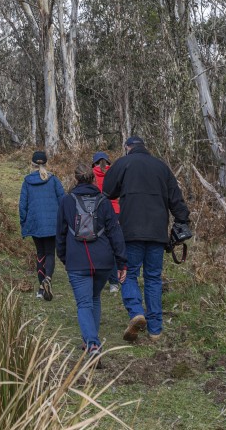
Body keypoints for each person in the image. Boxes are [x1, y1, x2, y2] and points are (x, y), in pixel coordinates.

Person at [102, 136, 190, 343]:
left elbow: (107, 191)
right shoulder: (161, 167)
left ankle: (135, 312)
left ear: (127, 148)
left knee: (129, 273)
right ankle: (155, 330)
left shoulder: (123, 163)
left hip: (130, 231)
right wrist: (182, 220)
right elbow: (176, 199)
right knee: (153, 278)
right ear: (144, 147)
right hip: (157, 232)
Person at [56, 163, 127, 357]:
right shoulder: (104, 201)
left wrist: (64, 257)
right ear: (93, 179)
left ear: (76, 179)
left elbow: (60, 233)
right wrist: (121, 262)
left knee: (84, 304)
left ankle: (92, 344)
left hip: (77, 261)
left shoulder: (66, 201)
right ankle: (90, 340)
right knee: (94, 298)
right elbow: (115, 232)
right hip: (104, 261)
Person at [19, 150, 64, 301]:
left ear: (32, 164)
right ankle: (48, 279)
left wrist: (23, 222)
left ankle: (40, 289)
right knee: (50, 253)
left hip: (35, 223)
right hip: (52, 223)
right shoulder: (54, 180)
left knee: (40, 253)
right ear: (46, 163)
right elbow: (63, 200)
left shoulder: (27, 181)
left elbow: (22, 205)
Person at [93, 151, 122, 293]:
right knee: (114, 245)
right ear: (108, 162)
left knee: (100, 244)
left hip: (98, 212)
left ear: (95, 163)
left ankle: (99, 277)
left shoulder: (91, 174)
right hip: (115, 211)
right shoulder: (116, 173)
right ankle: (114, 283)